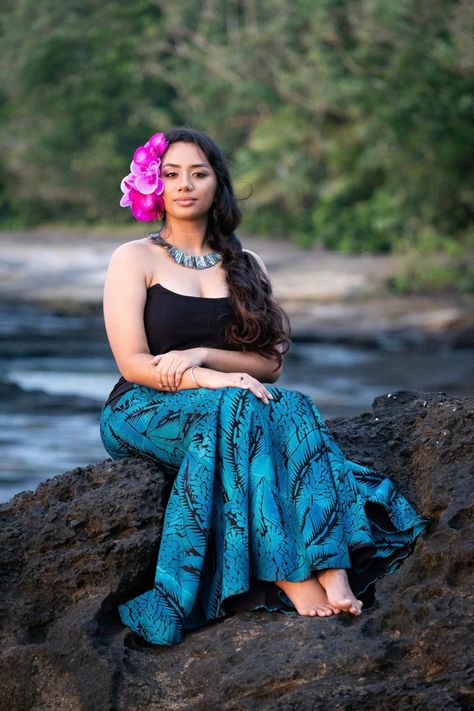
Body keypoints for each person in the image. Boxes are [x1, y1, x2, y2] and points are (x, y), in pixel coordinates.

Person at [100, 127, 428, 646]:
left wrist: (203, 353)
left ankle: (330, 563)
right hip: (145, 404)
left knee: (292, 404)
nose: (185, 185)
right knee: (239, 407)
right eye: (170, 174)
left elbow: (269, 364)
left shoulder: (246, 264)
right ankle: (289, 573)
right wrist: (208, 379)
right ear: (153, 186)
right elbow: (135, 362)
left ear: (217, 185)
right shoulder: (134, 258)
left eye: (198, 173)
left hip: (229, 401)